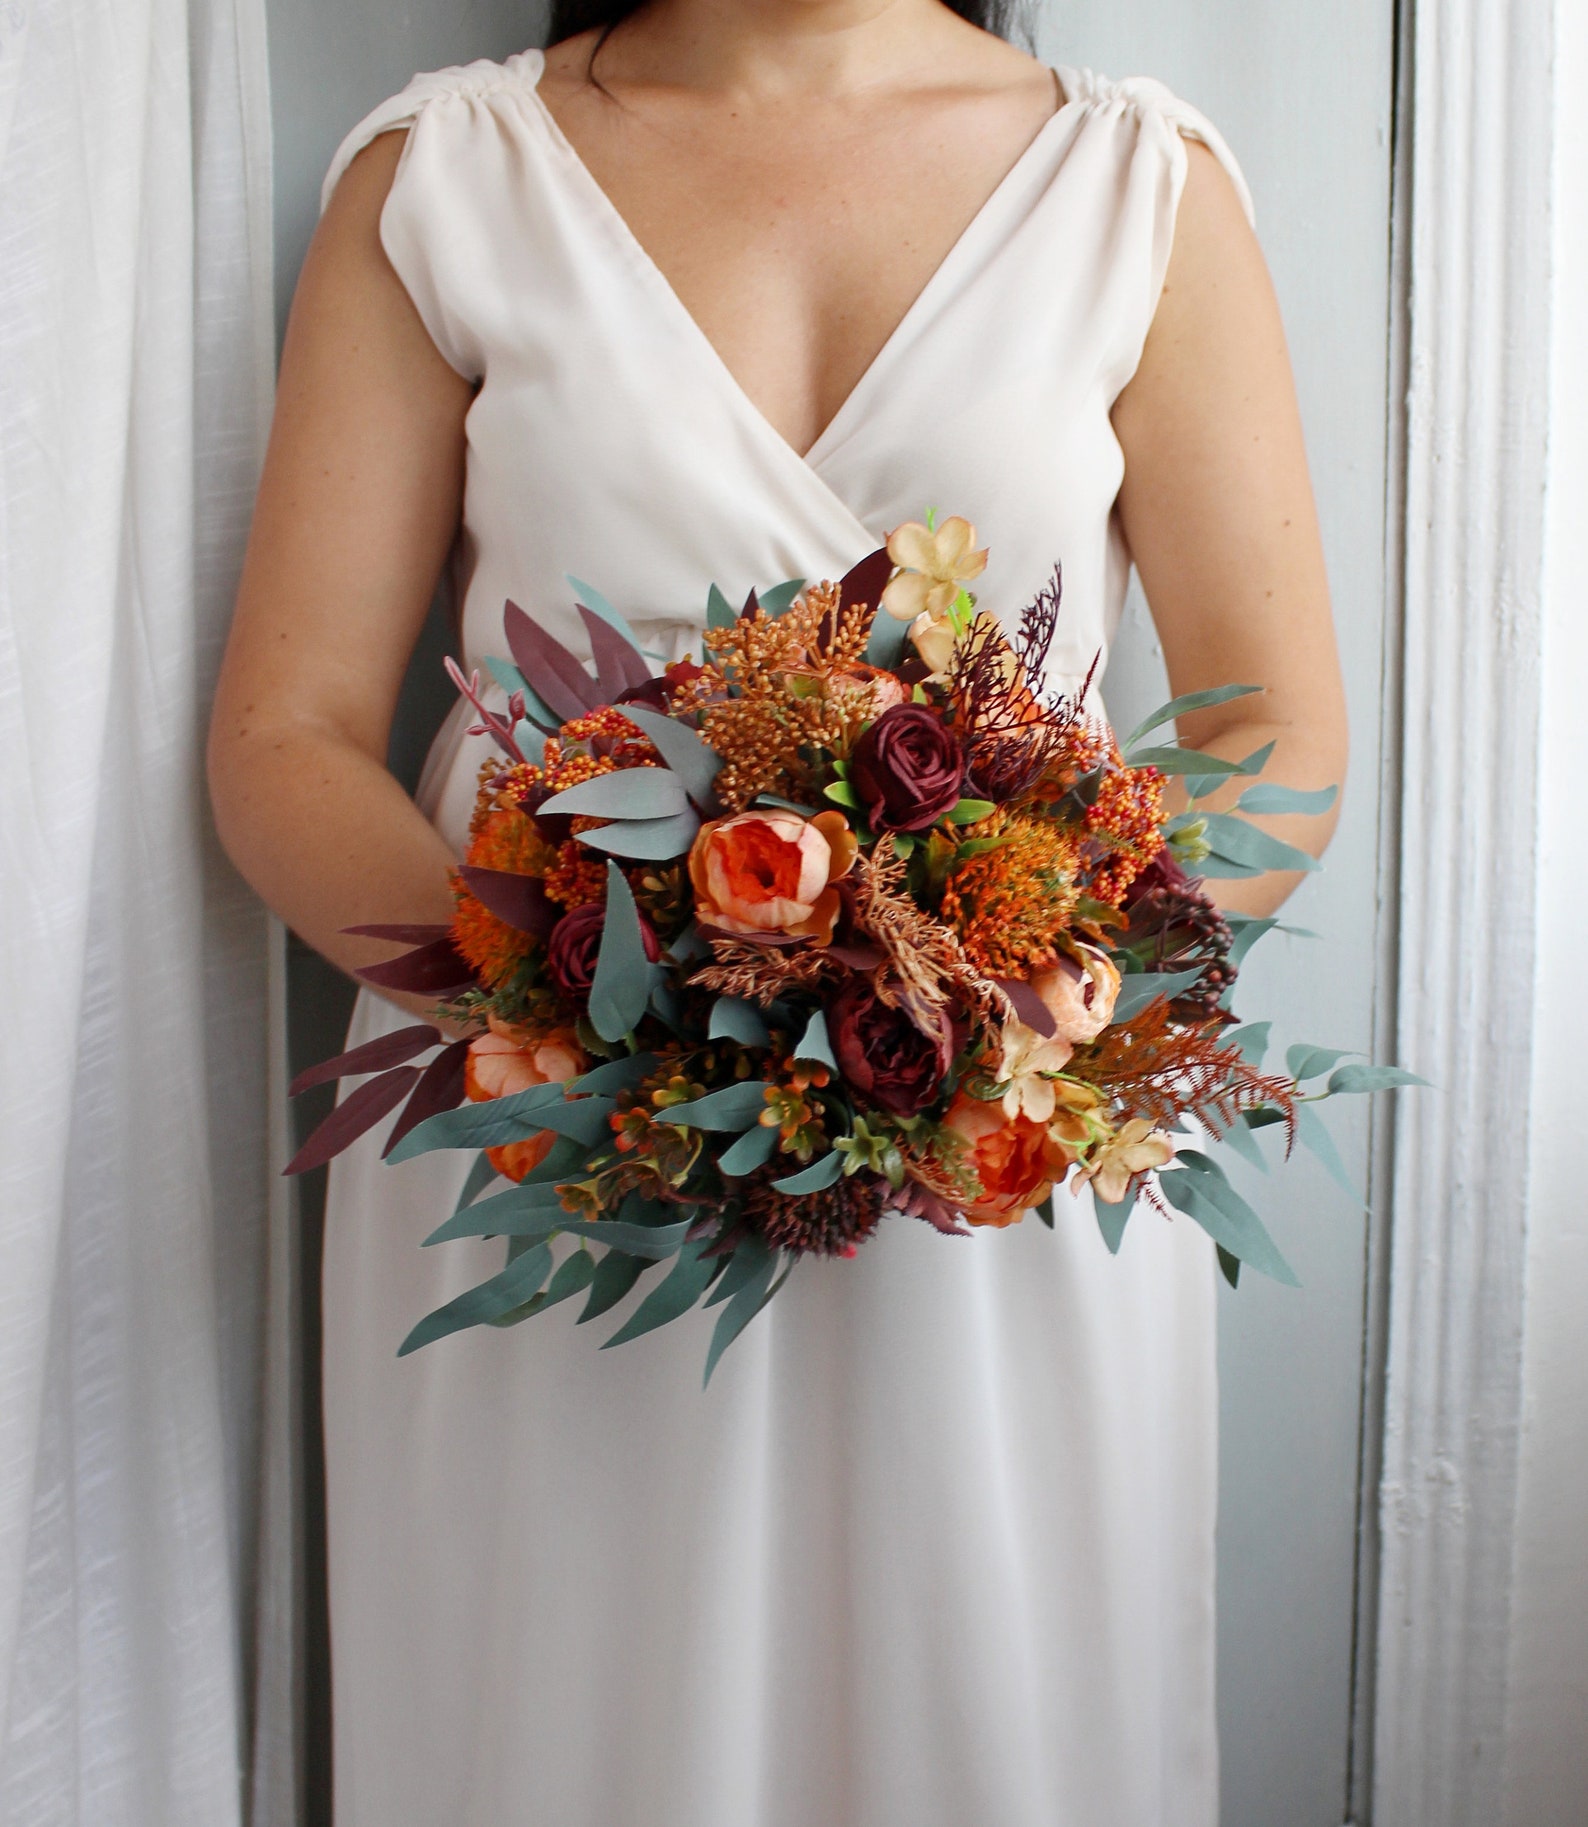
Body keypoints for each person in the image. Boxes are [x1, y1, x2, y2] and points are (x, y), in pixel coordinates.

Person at [210, 2, 1346, 1821]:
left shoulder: (1141, 186)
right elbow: (288, 735)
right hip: (551, 1150)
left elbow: (1272, 729)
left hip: (996, 1161)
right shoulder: (442, 181)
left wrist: (1009, 998)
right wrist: (583, 1003)